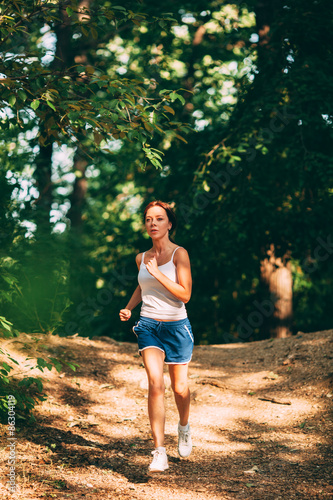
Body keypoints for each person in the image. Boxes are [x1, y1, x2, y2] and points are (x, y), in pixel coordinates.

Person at [119, 200, 194, 473]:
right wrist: (129, 308)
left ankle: (183, 426)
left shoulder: (179, 254)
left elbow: (184, 294)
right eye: (149, 219)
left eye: (159, 219)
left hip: (177, 327)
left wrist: (157, 274)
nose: (153, 223)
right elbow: (143, 287)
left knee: (180, 389)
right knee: (155, 384)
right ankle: (159, 451)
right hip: (148, 325)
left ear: (169, 224)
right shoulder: (141, 258)